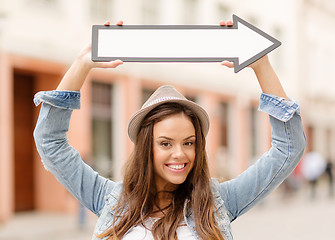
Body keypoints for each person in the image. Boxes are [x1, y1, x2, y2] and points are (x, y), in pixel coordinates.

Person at [33, 20, 306, 240]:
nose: (180, 154)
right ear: (146, 147)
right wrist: (81, 66)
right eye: (165, 143)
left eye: (189, 142)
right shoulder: (109, 200)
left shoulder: (218, 201)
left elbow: (288, 149)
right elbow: (50, 142)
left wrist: (262, 66)